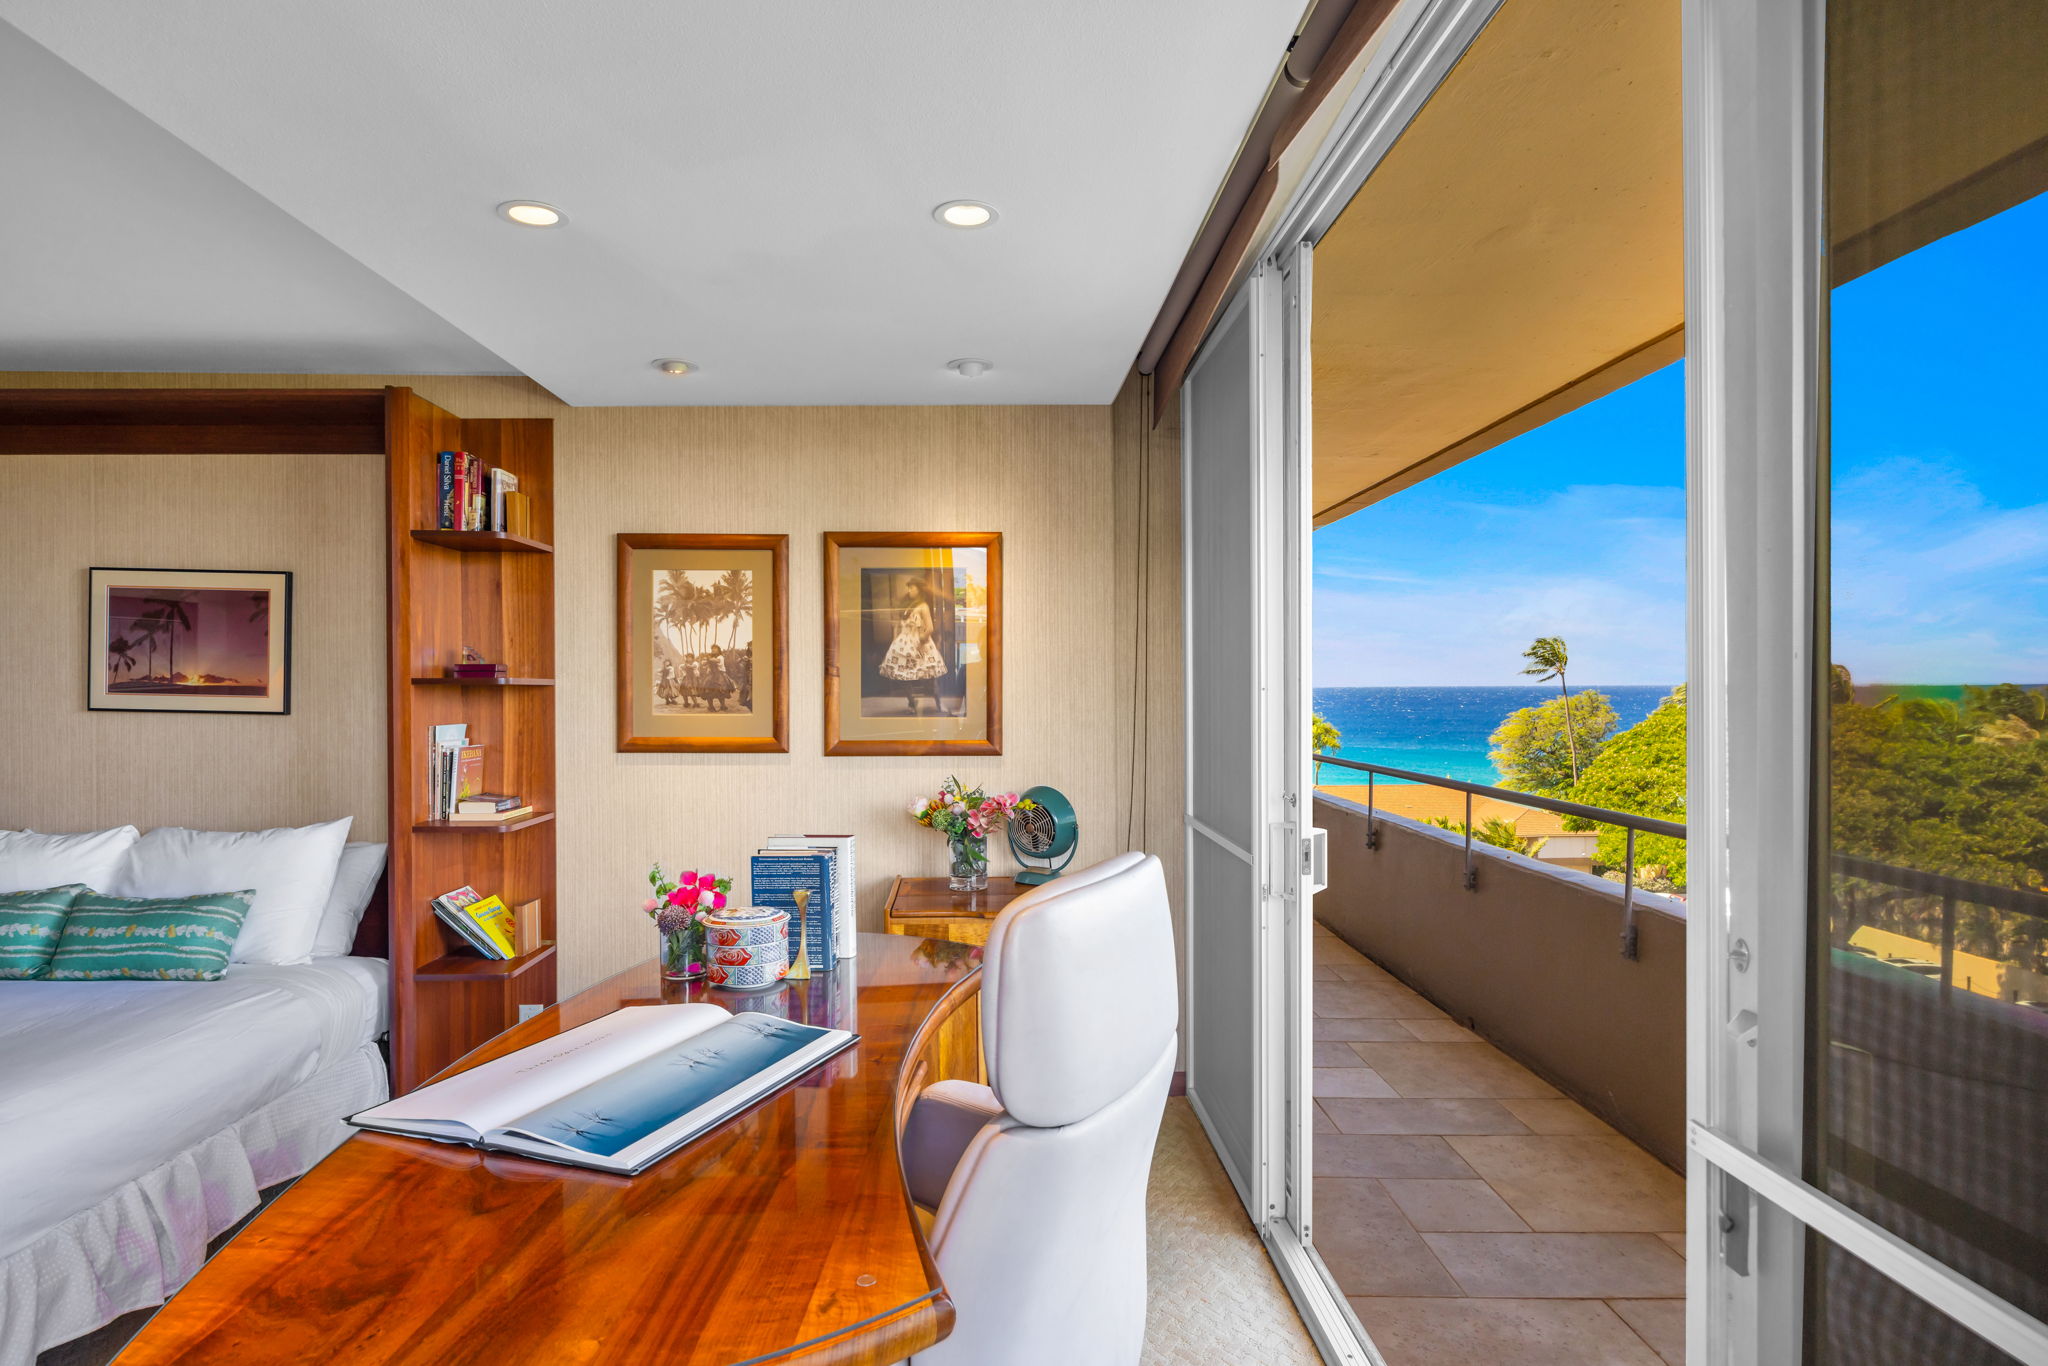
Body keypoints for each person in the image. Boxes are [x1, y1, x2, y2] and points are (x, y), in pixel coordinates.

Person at [878, 578, 948, 715]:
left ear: (919, 590)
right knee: (903, 676)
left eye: (912, 588)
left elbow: (930, 628)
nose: (909, 590)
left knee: (930, 677)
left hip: (920, 644)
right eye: (908, 588)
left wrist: (920, 642)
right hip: (904, 644)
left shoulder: (923, 606)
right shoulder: (907, 606)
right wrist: (896, 640)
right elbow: (899, 625)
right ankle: (911, 701)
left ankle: (939, 702)